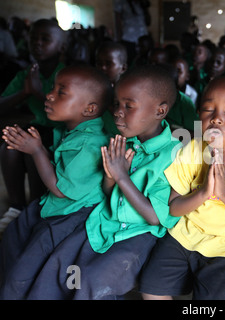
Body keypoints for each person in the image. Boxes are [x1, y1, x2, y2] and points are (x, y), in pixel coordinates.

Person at [19, 65, 182, 299]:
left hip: (138, 235)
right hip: (104, 224)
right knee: (57, 265)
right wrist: (111, 177)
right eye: (116, 104)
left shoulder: (174, 156)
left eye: (129, 106)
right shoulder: (123, 142)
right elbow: (109, 193)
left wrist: (122, 177)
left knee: (91, 284)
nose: (117, 112)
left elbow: (154, 216)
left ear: (160, 111)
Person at [139, 75, 225, 300]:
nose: (216, 119)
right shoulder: (193, 149)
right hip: (184, 236)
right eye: (208, 110)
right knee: (151, 290)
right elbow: (174, 207)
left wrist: (223, 194)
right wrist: (204, 192)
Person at [0, 64, 112, 299]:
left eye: (61, 92)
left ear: (89, 109)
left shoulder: (89, 144)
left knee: (29, 268)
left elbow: (60, 190)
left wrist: (37, 150)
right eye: (53, 88)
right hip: (57, 205)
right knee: (15, 234)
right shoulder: (75, 130)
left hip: (72, 215)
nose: (49, 95)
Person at [0, 19, 66, 230]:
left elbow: (68, 113)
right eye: (33, 39)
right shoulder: (27, 74)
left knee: (32, 151)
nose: (37, 43)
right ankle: (16, 206)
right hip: (39, 128)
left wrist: (38, 93)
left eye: (45, 39)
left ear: (61, 46)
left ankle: (36, 207)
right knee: (9, 145)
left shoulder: (67, 74)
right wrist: (25, 92)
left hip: (64, 132)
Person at [95, 41, 128, 136]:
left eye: (108, 64)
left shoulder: (128, 93)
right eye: (99, 63)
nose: (103, 68)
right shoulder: (92, 90)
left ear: (123, 68)